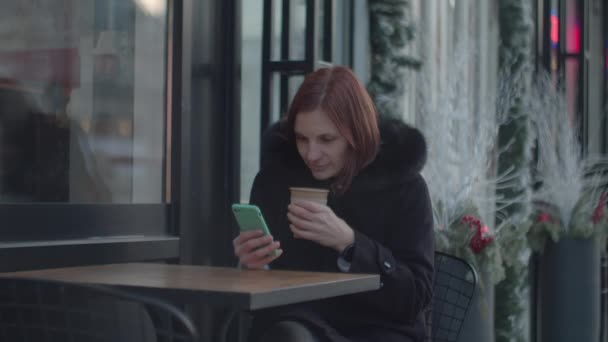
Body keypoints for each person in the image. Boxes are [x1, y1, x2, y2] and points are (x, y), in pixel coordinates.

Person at [232, 66, 434, 342]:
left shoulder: (403, 186)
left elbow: (415, 296)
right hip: (299, 326)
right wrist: (252, 267)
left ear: (357, 135)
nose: (312, 154)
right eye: (302, 139)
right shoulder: (276, 180)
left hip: (380, 331)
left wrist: (350, 243)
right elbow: (264, 294)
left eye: (327, 139)